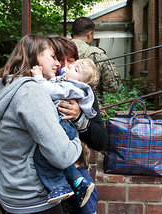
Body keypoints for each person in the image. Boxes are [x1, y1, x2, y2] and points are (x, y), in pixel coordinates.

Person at [0, 34, 83, 214]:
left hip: (8, 193)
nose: (59, 63)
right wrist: (76, 141)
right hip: (34, 199)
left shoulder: (2, 86)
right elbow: (62, 156)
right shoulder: (31, 92)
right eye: (53, 57)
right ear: (35, 55)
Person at [30, 58, 99, 207]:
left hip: (63, 126)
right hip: (63, 126)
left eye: (75, 69)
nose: (68, 67)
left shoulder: (73, 87)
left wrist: (37, 76)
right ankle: (79, 182)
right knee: (60, 157)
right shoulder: (67, 83)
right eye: (71, 65)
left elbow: (48, 90)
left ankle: (58, 187)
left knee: (42, 155)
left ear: (81, 81)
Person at [53, 37, 108, 214]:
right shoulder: (41, 85)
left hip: (75, 166)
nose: (65, 65)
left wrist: (80, 118)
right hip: (45, 175)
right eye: (60, 60)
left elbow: (101, 141)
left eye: (71, 61)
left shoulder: (83, 92)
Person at [71, 17, 121, 106]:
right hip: (92, 109)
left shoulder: (60, 49)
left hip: (63, 108)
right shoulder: (96, 54)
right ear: (89, 34)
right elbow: (112, 86)